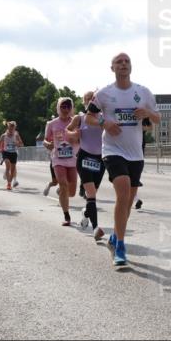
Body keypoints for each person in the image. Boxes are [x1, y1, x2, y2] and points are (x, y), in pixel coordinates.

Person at [94, 52, 159, 266]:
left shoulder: (143, 92)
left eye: (127, 61)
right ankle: (120, 246)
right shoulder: (104, 93)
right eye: (119, 62)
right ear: (112, 68)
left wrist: (147, 112)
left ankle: (114, 237)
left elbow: (157, 118)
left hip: (136, 153)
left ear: (131, 66)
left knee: (128, 202)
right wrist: (105, 123)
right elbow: (89, 116)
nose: (123, 64)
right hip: (113, 150)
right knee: (122, 193)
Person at [67, 91, 106, 240]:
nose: (91, 101)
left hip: (100, 159)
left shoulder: (104, 118)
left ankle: (86, 213)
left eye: (93, 99)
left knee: (92, 194)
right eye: (88, 99)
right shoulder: (79, 118)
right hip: (84, 157)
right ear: (84, 103)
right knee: (91, 193)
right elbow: (68, 130)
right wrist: (73, 134)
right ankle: (96, 228)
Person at [45, 98, 79, 225]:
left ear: (71, 108)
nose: (65, 110)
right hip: (58, 159)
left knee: (72, 192)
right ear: (59, 108)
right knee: (63, 184)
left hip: (73, 159)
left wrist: (76, 138)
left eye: (68, 107)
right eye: (63, 107)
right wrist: (48, 144)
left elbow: (81, 138)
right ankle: (67, 216)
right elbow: (45, 140)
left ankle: (61, 192)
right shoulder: (52, 124)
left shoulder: (76, 122)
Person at [0, 121, 23, 190]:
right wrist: (1, 149)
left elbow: (21, 144)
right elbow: (0, 142)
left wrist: (17, 143)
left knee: (12, 170)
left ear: (15, 128)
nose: (11, 130)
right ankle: (8, 183)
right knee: (8, 166)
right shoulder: (4, 135)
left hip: (13, 153)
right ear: (8, 127)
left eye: (13, 128)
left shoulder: (16, 135)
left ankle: (9, 183)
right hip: (6, 152)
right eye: (10, 128)